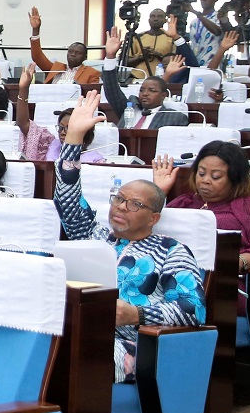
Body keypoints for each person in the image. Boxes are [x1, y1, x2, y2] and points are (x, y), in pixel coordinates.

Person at [54, 92, 206, 383]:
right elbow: (66, 197)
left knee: (70, 353)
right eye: (118, 199)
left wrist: (137, 313)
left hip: (130, 343)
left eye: (134, 204)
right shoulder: (93, 234)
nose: (121, 207)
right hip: (74, 326)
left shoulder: (172, 251)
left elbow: (194, 309)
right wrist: (73, 137)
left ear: (153, 218)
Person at [153, 142, 250, 295]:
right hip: (167, 278)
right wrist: (159, 192)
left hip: (221, 285)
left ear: (235, 179)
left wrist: (239, 261)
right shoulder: (184, 202)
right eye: (201, 173)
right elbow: (146, 230)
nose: (205, 180)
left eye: (216, 176)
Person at [15, 63, 106, 163]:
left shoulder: (95, 160)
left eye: (68, 128)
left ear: (84, 131)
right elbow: (23, 123)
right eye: (60, 127)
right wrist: (23, 89)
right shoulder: (50, 144)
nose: (62, 132)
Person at [100, 28, 189, 129]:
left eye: (152, 90)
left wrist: (168, 74)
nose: (145, 93)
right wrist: (110, 56)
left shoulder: (174, 117)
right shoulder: (129, 108)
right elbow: (111, 89)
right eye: (142, 90)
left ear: (164, 95)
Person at [27, 7, 100, 85]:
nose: (73, 54)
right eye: (70, 51)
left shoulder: (91, 72)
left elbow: (93, 92)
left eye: (77, 53)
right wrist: (35, 30)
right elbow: (37, 57)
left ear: (85, 57)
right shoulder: (56, 68)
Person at [125, 8, 175, 79]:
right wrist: (141, 57)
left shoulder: (171, 38)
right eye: (153, 16)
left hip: (162, 78)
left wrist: (158, 55)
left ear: (165, 20)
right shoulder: (137, 37)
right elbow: (126, 62)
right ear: (149, 20)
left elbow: (175, 62)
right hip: (138, 77)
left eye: (160, 16)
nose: (156, 19)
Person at [186, 0, 225, 68]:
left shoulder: (219, 17)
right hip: (194, 66)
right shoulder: (194, 22)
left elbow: (217, 31)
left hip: (212, 66)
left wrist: (196, 13)